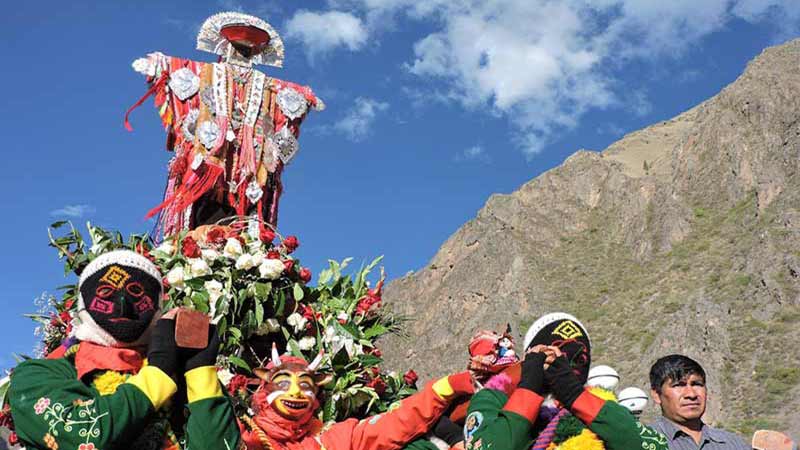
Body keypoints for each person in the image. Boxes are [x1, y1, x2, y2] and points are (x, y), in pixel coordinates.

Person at [7, 250, 240, 450]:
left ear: (158, 305)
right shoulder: (36, 376)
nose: (123, 305)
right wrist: (158, 373)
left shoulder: (181, 379)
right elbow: (85, 436)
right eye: (106, 293)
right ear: (83, 305)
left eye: (137, 292)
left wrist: (200, 372)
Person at [128, 11, 324, 236]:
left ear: (256, 53)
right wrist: (160, 65)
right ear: (226, 47)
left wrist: (305, 96)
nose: (243, 54)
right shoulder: (209, 72)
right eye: (239, 48)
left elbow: (288, 91)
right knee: (202, 209)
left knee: (247, 215)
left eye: (248, 50)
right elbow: (183, 68)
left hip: (247, 171)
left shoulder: (266, 85)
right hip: (211, 165)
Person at [461, 312, 669, 450]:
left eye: (578, 359)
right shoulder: (491, 400)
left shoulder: (601, 406)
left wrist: (575, 396)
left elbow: (653, 446)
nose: (564, 359)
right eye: (551, 350)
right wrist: (529, 390)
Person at [239, 345, 475, 450]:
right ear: (265, 387)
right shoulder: (242, 433)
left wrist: (444, 389)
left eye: (305, 384)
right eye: (283, 383)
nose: (296, 391)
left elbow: (393, 424)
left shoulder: (333, 438)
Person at [648, 354, 749, 450]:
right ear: (656, 394)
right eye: (678, 385)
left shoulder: (734, 444)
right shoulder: (643, 443)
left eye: (697, 384)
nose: (691, 394)